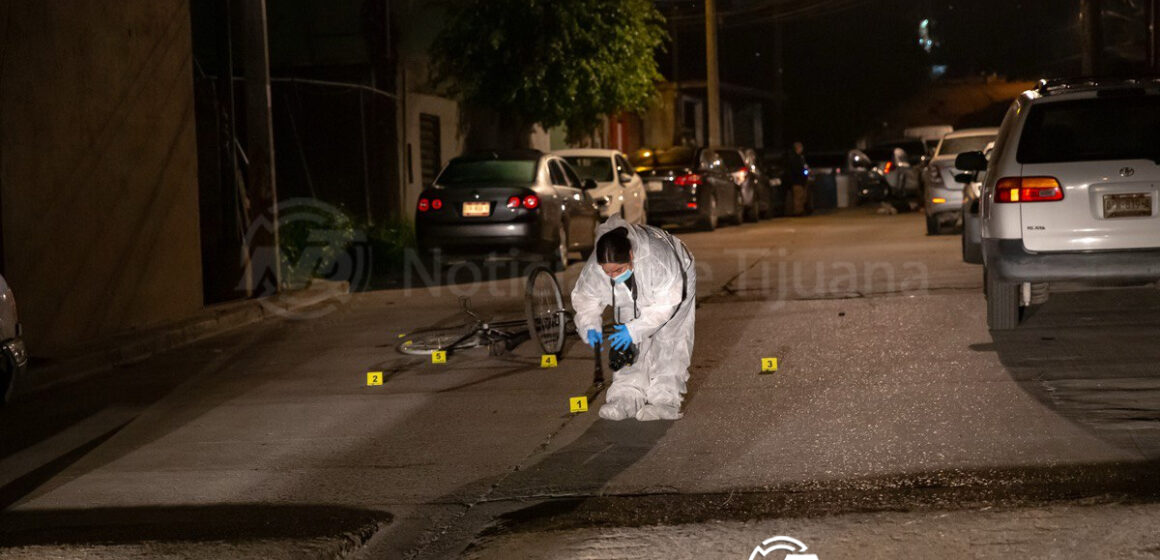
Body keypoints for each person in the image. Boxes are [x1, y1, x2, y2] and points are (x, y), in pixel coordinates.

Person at [571, 216, 697, 421]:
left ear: (630, 255)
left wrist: (635, 329)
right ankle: (625, 396)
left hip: (676, 278)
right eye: (608, 272)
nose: (613, 276)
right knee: (628, 339)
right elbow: (586, 298)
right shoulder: (597, 265)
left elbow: (666, 305)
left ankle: (665, 399)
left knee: (670, 338)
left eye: (618, 270)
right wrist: (589, 324)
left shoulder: (657, 259)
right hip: (635, 289)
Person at [783, 141, 810, 216]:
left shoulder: (800, 158)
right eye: (800, 147)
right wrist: (803, 173)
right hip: (797, 180)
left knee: (801, 196)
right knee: (798, 197)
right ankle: (798, 212)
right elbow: (796, 169)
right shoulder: (795, 159)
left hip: (800, 180)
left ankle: (800, 210)